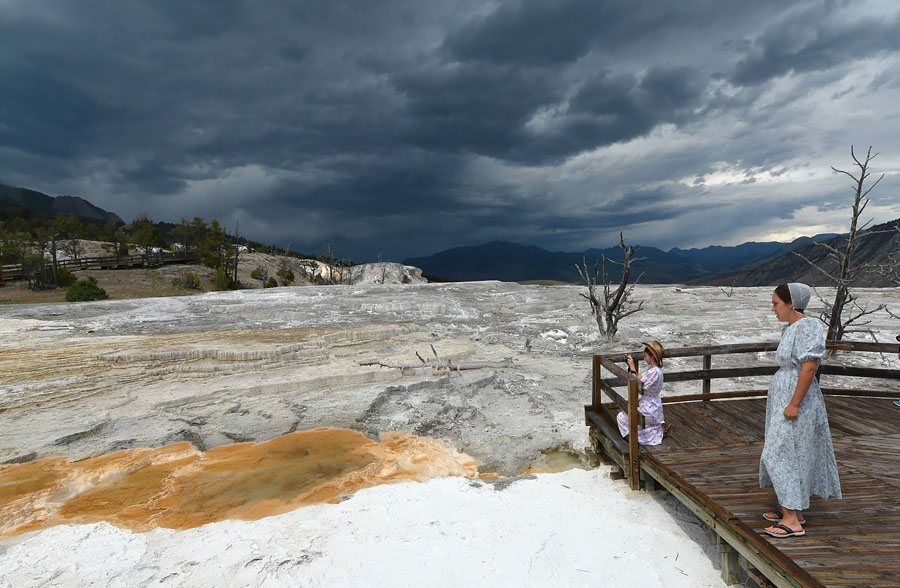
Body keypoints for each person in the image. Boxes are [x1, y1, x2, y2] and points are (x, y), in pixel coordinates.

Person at [760, 283, 841, 538]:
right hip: (785, 394)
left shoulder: (808, 326)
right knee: (791, 452)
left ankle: (792, 520)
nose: (773, 308)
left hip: (798, 399)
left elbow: (809, 367)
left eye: (776, 303)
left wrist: (794, 403)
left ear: (791, 303)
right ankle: (794, 509)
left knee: (778, 453)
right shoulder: (791, 328)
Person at [616, 341, 668, 445]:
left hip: (648, 409)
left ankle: (633, 441)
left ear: (652, 356)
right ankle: (649, 433)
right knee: (634, 418)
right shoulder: (656, 371)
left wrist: (632, 367)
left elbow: (637, 383)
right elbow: (640, 377)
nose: (644, 358)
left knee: (621, 417)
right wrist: (631, 367)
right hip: (654, 407)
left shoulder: (654, 372)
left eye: (645, 356)